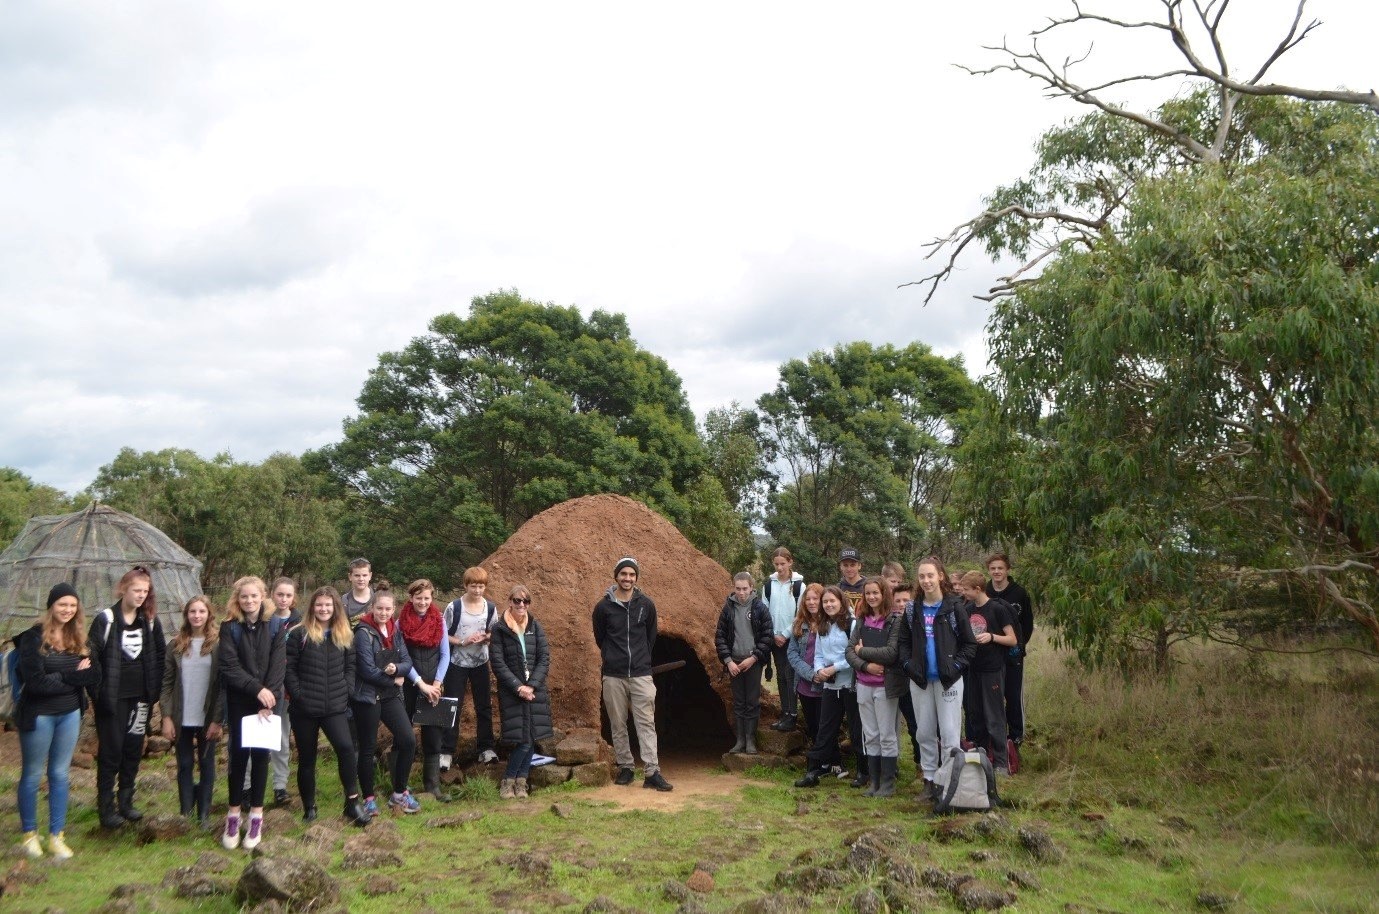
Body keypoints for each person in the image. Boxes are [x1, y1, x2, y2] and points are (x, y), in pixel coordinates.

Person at [14, 582, 100, 860]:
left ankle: (56, 836)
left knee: (60, 774)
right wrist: (71, 675)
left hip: (69, 715)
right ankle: (29, 834)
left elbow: (93, 675)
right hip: (39, 716)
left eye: (73, 605)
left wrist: (66, 677)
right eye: (62, 604)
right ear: (51, 606)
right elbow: (36, 683)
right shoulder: (32, 638)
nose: (67, 609)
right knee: (32, 774)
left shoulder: (79, 639)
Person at [88, 565, 165, 829]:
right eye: (136, 590)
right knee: (111, 752)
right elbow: (91, 658)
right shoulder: (106, 620)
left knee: (133, 749)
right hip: (112, 700)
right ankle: (106, 809)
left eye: (145, 591)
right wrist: (98, 695)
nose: (141, 595)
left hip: (140, 699)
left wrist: (152, 692)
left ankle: (126, 802)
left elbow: (158, 656)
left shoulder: (151, 620)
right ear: (123, 589)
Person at [286, 586, 369, 828]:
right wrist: (299, 695)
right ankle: (309, 807)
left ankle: (352, 803)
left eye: (328, 605)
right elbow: (288, 669)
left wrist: (347, 691)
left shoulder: (344, 634)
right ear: (312, 607)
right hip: (304, 709)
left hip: (335, 706)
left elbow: (351, 666)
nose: (324, 609)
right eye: (319, 605)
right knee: (307, 758)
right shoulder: (298, 634)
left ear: (335, 608)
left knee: (345, 750)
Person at [897, 557, 977, 800]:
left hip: (948, 681)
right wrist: (909, 666)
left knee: (950, 733)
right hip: (921, 680)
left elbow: (969, 644)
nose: (926, 580)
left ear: (940, 576)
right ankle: (929, 781)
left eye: (930, 575)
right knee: (924, 732)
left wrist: (954, 668)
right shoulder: (913, 609)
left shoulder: (954, 607)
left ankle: (948, 784)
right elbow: (902, 642)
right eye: (922, 576)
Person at [218, 575, 287, 849]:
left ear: (263, 597)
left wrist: (267, 696)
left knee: (260, 757)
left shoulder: (276, 626)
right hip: (240, 700)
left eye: (254, 596)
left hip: (268, 702)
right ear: (237, 599)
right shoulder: (229, 628)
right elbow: (229, 666)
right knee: (237, 756)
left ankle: (256, 816)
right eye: (244, 596)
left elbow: (278, 665)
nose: (249, 601)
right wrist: (256, 689)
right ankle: (233, 814)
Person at [593, 557, 672, 791]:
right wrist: (612, 656)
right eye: (623, 574)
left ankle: (652, 772)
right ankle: (626, 767)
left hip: (640, 674)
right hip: (614, 674)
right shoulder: (603, 607)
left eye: (631, 574)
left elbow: (651, 636)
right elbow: (600, 637)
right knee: (618, 723)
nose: (627, 578)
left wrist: (640, 660)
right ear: (616, 576)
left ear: (636, 578)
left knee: (646, 722)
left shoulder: (645, 605)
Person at [351, 585, 421, 816]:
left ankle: (399, 793)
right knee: (368, 748)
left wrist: (397, 668)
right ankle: (369, 798)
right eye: (379, 608)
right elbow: (366, 669)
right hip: (368, 697)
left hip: (389, 697)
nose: (383, 612)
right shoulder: (363, 632)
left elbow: (407, 661)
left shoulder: (395, 631)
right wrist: (394, 680)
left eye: (388, 609)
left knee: (408, 739)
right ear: (372, 608)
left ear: (393, 610)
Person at [160, 595, 223, 826]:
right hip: (181, 715)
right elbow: (166, 683)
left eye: (201, 612)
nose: (197, 616)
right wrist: (166, 717)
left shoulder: (218, 644)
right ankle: (185, 812)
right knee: (184, 764)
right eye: (192, 612)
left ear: (209, 615)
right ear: (186, 615)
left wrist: (218, 719)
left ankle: (204, 814)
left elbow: (221, 686)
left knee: (207, 765)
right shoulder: (176, 645)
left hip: (207, 717)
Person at [490, 584, 553, 800]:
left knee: (532, 738)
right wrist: (518, 687)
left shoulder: (535, 627)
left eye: (526, 601)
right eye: (517, 600)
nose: (521, 605)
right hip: (512, 692)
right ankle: (508, 782)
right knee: (523, 740)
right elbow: (498, 663)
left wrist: (532, 685)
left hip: (535, 691)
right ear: (510, 602)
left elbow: (544, 659)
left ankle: (521, 783)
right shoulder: (499, 629)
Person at [792, 585, 855, 787]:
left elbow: (855, 654)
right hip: (830, 686)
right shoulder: (823, 625)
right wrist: (819, 670)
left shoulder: (851, 624)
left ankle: (866, 771)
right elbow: (818, 654)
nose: (828, 605)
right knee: (825, 728)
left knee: (857, 727)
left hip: (850, 685)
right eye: (825, 602)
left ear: (841, 602)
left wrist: (834, 668)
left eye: (831, 601)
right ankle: (814, 771)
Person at [845, 577, 903, 797]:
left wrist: (862, 651)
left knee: (887, 734)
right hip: (863, 684)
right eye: (868, 593)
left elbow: (891, 653)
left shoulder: (894, 621)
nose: (871, 597)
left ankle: (888, 783)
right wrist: (866, 665)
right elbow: (849, 651)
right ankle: (875, 782)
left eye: (875, 593)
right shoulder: (861, 620)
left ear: (884, 594)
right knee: (870, 734)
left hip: (885, 687)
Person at [956, 571, 1018, 774]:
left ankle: (1001, 762)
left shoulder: (998, 609)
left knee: (994, 716)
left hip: (993, 669)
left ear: (978, 589)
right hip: (973, 668)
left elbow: (1012, 639)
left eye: (966, 589)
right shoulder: (967, 609)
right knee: (976, 715)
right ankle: (982, 758)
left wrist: (991, 637)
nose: (963, 592)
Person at [440, 566, 498, 771]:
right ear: (465, 585)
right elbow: (442, 635)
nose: (477, 590)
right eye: (473, 586)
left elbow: (494, 632)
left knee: (484, 706)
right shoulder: (454, 607)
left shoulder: (490, 608)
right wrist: (462, 641)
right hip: (457, 662)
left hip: (481, 662)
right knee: (451, 705)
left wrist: (485, 638)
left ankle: (486, 748)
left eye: (481, 586)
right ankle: (446, 751)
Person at [714, 572, 774, 755]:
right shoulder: (728, 609)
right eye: (738, 589)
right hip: (734, 663)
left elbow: (767, 635)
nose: (741, 592)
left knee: (752, 702)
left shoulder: (759, 608)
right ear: (734, 588)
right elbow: (720, 636)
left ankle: (750, 740)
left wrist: (754, 657)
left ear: (751, 588)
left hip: (753, 662)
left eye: (745, 589)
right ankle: (740, 740)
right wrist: (728, 661)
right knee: (739, 702)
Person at [399, 578, 448, 799]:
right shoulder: (400, 623)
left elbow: (446, 653)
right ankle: (400, 784)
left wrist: (436, 684)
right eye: (418, 598)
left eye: (427, 598)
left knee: (433, 735)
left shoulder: (439, 620)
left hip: (434, 685)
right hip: (409, 684)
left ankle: (432, 786)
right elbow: (403, 656)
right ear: (411, 598)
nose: (423, 602)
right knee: (404, 734)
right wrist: (420, 684)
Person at [986, 552, 1034, 767]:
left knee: (1013, 698)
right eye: (993, 568)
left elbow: (1027, 624)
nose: (997, 572)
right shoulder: (984, 591)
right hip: (990, 655)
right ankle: (994, 745)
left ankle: (1015, 743)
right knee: (992, 701)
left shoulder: (1019, 593)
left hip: (1013, 655)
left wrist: (1018, 646)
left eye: (1000, 568)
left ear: (1007, 570)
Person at [763, 547, 805, 732]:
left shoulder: (799, 586)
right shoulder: (768, 586)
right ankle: (785, 712)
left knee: (790, 675)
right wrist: (772, 634)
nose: (780, 567)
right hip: (774, 638)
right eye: (776, 564)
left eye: (783, 563)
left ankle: (792, 715)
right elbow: (764, 612)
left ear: (790, 562)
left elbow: (800, 613)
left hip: (791, 637)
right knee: (780, 675)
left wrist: (785, 634)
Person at [267, 578, 300, 806]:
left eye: (288, 595)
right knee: (257, 737)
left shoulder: (300, 623)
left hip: (288, 688)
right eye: (280, 594)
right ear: (272, 595)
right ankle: (249, 785)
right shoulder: (264, 621)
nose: (284, 599)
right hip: (266, 686)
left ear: (293, 597)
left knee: (281, 736)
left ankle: (280, 785)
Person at [786, 583, 826, 746]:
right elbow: (792, 653)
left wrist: (822, 674)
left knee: (826, 725)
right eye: (807, 599)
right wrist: (810, 674)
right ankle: (816, 761)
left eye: (815, 598)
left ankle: (830, 761)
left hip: (826, 684)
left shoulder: (831, 623)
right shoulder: (799, 624)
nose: (811, 602)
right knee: (813, 725)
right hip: (804, 684)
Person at [342, 557, 374, 622]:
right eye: (357, 575)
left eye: (364, 575)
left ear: (370, 576)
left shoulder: (378, 597)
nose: (361, 579)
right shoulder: (344, 601)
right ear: (350, 576)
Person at [837, 547, 865, 615]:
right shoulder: (837, 588)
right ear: (841, 567)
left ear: (859, 566)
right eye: (845, 565)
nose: (849, 569)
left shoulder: (868, 586)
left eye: (852, 565)